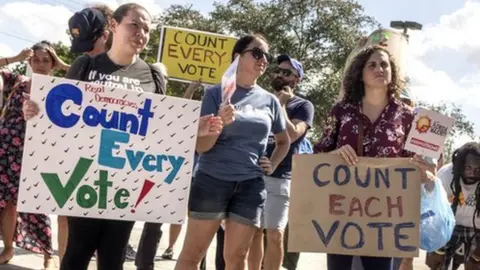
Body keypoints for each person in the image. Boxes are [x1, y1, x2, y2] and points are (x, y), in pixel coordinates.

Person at [22, 3, 222, 270]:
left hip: (126, 185)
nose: (141, 33)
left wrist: (194, 128)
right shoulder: (86, 65)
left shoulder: (152, 75)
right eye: (135, 24)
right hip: (85, 181)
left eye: (147, 29)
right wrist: (34, 111)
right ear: (114, 26)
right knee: (76, 256)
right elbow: (57, 116)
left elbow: (159, 130)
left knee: (113, 259)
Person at [313, 45, 435, 270]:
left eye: (384, 64)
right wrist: (334, 154)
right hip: (342, 208)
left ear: (392, 72)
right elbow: (318, 154)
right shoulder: (341, 111)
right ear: (360, 73)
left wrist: (423, 169)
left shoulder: (408, 117)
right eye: (372, 65)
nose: (379, 68)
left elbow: (415, 165)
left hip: (386, 214)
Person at [174, 34, 291, 270]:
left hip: (251, 185)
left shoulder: (270, 101)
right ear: (237, 57)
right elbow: (202, 147)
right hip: (212, 180)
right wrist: (219, 122)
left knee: (237, 259)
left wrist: (273, 163)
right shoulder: (215, 93)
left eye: (267, 55)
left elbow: (283, 141)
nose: (264, 59)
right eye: (257, 53)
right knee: (193, 255)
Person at [0, 41, 67, 269]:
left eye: (46, 60)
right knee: (8, 205)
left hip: (38, 153)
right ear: (29, 62)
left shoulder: (59, 88)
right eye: (36, 59)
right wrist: (15, 58)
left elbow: (87, 83)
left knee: (37, 204)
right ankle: (8, 248)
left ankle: (48, 254)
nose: (40, 64)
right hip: (7, 152)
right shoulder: (16, 82)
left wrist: (62, 64)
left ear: (52, 63)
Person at [248, 55, 314, 270]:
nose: (280, 75)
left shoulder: (303, 106)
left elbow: (293, 134)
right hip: (254, 176)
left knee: (275, 234)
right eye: (278, 71)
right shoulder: (261, 99)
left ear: (297, 80)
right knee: (254, 232)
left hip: (281, 178)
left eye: (287, 73)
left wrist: (281, 106)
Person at [426, 142, 480, 270]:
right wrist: (437, 250)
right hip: (448, 226)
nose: (472, 174)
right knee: (438, 266)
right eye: (468, 168)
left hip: (477, 228)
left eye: (478, 170)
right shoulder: (445, 175)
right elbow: (435, 214)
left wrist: (476, 257)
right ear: (459, 166)